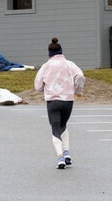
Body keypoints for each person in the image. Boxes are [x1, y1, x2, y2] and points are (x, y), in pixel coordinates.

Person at [34, 38, 85, 169]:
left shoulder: (46, 66)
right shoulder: (70, 64)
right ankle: (67, 152)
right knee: (63, 125)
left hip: (53, 100)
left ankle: (60, 157)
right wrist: (78, 91)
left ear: (49, 53)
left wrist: (45, 87)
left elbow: (38, 86)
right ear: (61, 52)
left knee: (55, 128)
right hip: (68, 100)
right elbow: (80, 76)